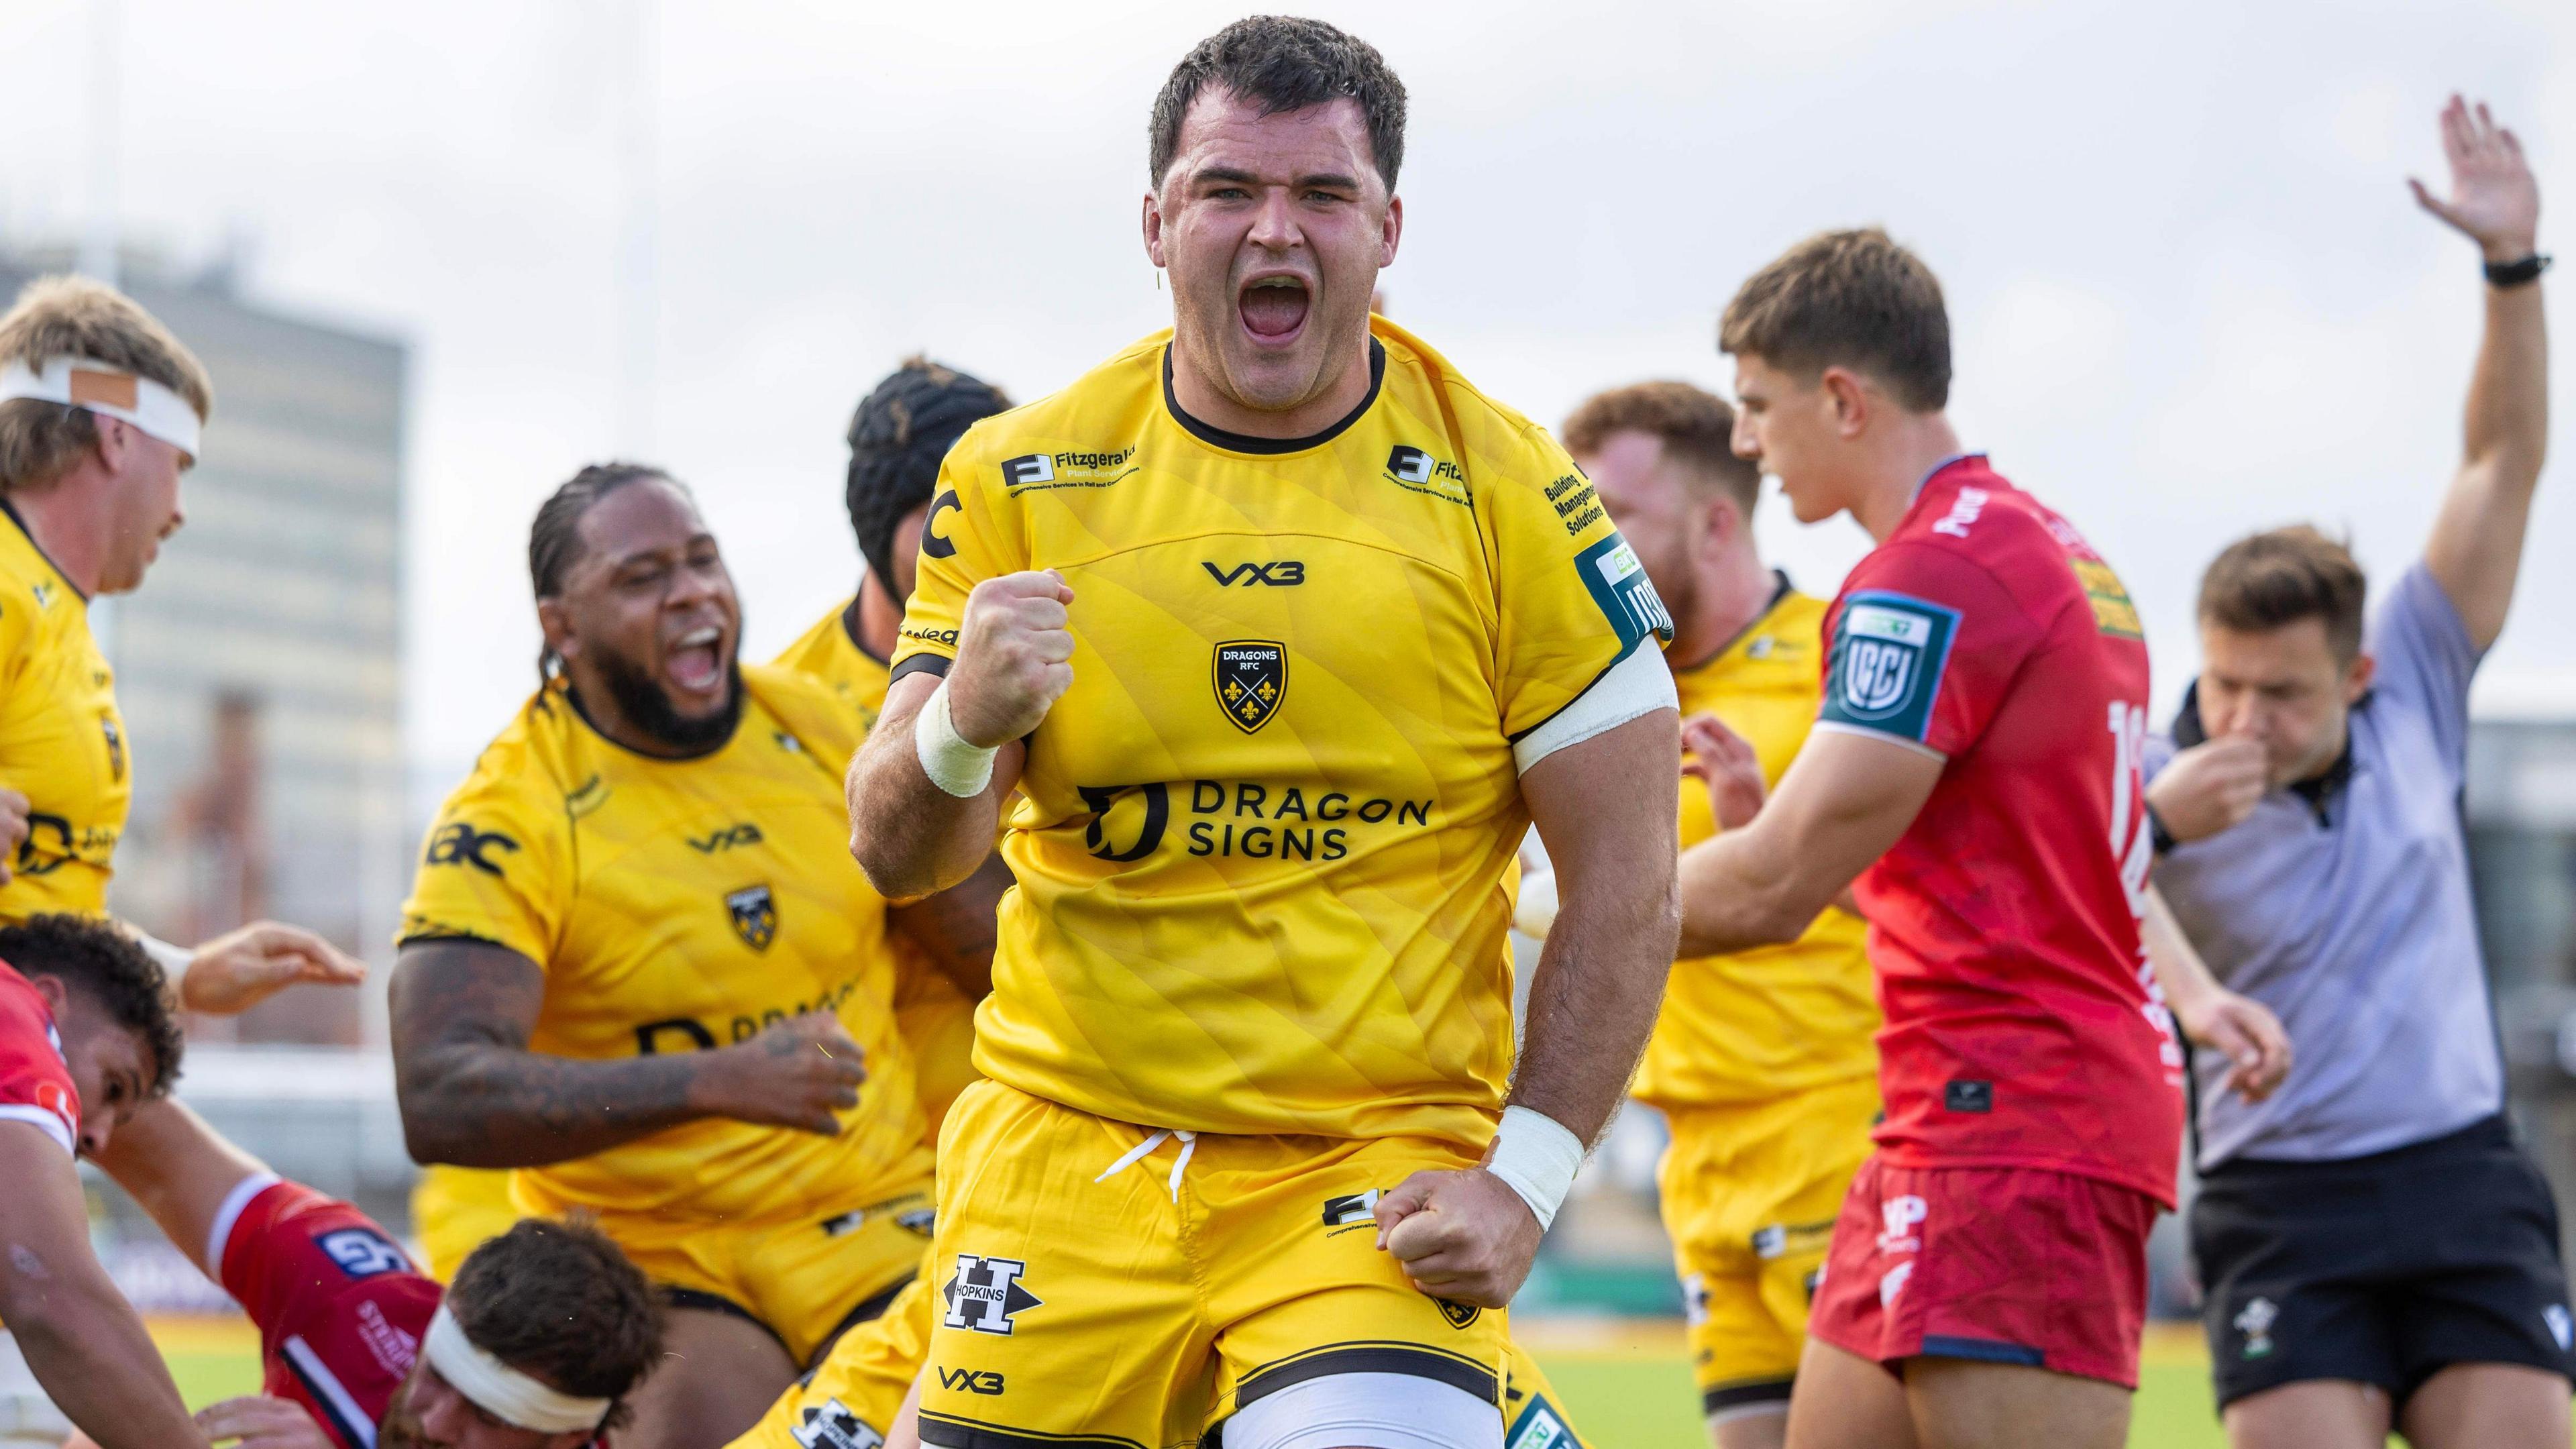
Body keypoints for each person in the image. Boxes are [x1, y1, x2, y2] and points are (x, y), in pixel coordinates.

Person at [739, 349, 1605, 1448]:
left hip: (1351, 1164)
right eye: (1230, 192)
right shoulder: (891, 638)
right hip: (1028, 1175)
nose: (1277, 234)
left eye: (1320, 196)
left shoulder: (1487, 485)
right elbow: (908, 870)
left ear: (1386, 225)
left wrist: (1526, 1178)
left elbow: (1638, 881)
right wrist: (962, 722)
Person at [1672, 228, 2191, 1449]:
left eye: (1757, 406)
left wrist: (1491, 904)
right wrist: (1782, 841)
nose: (1745, 441)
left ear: (1842, 399)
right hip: (1946, 1112)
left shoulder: (1930, 574)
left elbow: (1769, 891)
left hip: (2018, 1119)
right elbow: (1984, 878)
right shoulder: (2053, 547)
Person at [2145, 97, 2566, 1449]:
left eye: (2284, 692)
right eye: (2226, 685)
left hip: (2460, 1178)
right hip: (2281, 1202)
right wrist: (2153, 818)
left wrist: (2510, 268)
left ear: (2360, 677)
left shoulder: (2423, 679)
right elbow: (2058, 894)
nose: (2246, 718)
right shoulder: (2156, 775)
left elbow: (2501, 463)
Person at [389, 464, 967, 1448]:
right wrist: (713, 1080)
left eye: (703, 560)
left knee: (978, 1413)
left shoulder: (824, 730)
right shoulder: (514, 810)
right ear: (560, 626)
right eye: (643, 576)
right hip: (664, 1257)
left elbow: (991, 945)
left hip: (875, 1226)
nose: (693, 590)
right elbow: (439, 1094)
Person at [1550, 381, 1878, 1449]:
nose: (1586, 545)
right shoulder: (1598, 694)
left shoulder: (1848, 656)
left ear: (1717, 522)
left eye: (1614, 516)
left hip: (1844, 1137)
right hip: (1695, 1166)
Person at [0, 276, 362, 1013]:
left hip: (45, 1034)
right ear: (119, 435)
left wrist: (186, 972)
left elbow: (48, 925)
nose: (181, 510)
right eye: (182, 466)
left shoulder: (62, 621)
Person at [85, 1083, 663, 1449]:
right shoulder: (354, 1294)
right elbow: (127, 1117)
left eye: (486, 1415)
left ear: (569, 1441)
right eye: (436, 1373)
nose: (435, 1422)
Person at [0, 913, 201, 1449]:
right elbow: (49, 1290)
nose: (99, 1139)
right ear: (49, 997)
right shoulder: (17, 1015)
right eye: (114, 1086)